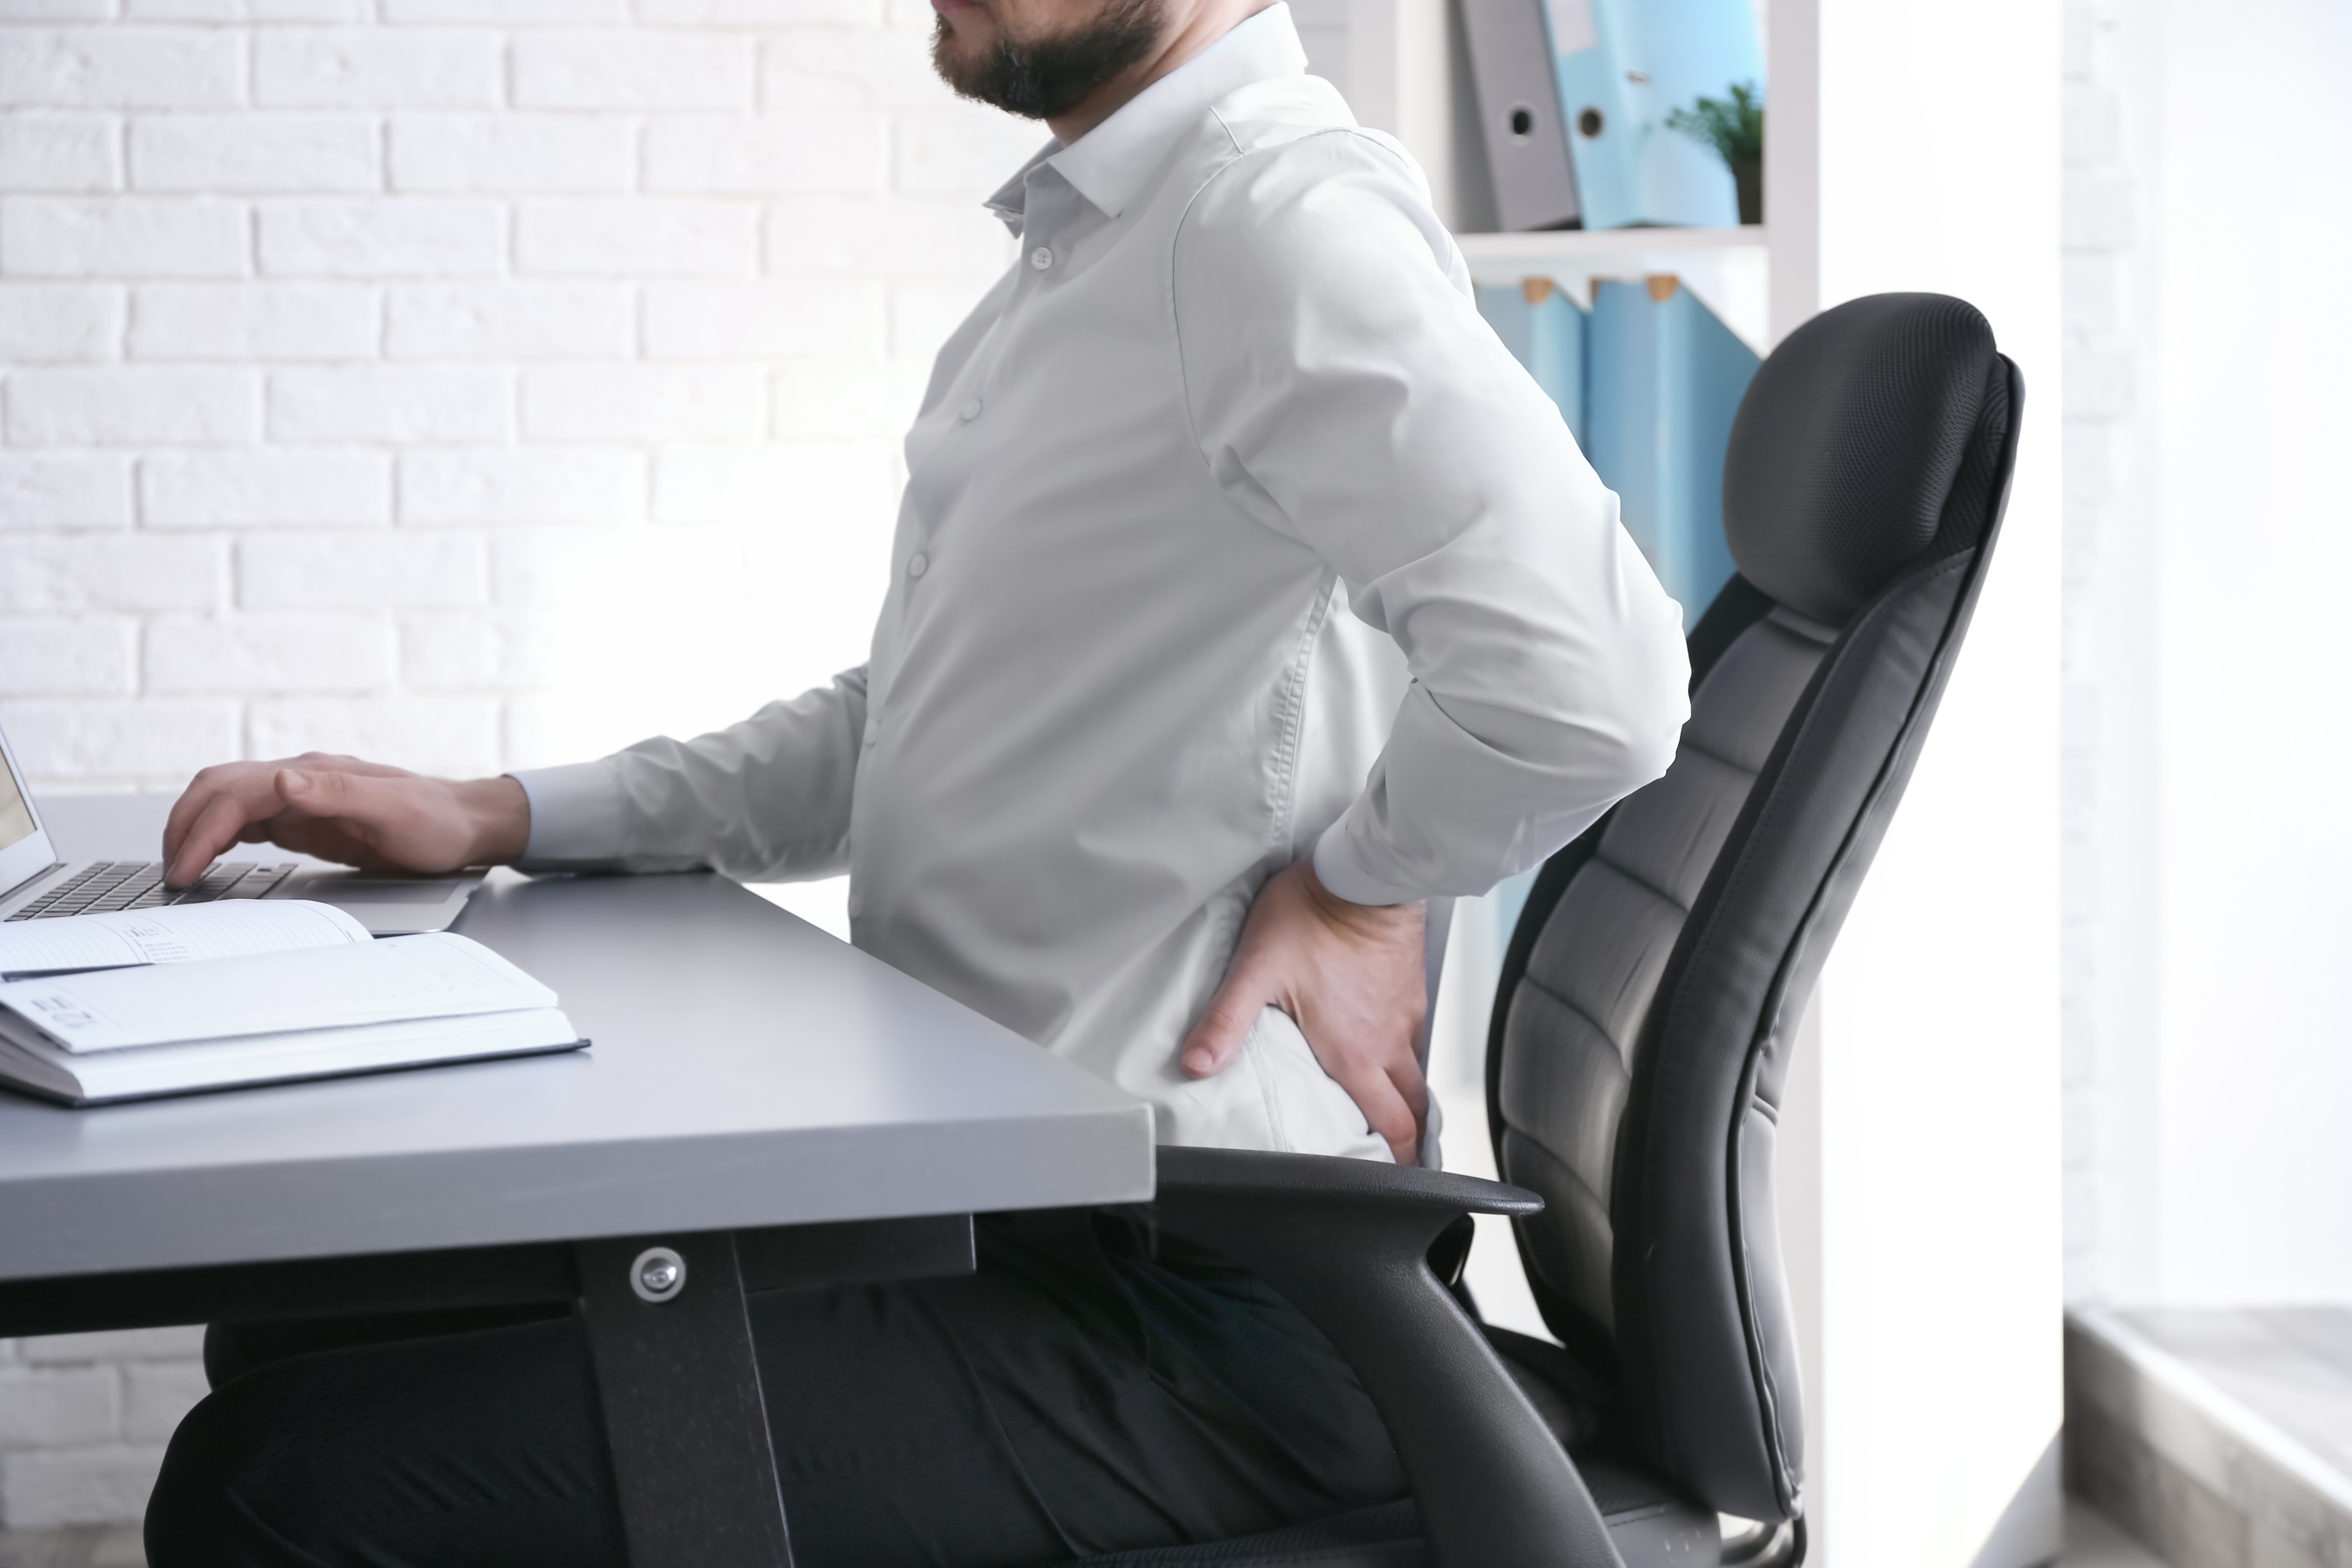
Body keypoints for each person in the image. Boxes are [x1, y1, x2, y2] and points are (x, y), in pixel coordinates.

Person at [140, 0, 1689, 1559]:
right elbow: (902, 721)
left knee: (277, 1485)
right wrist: (499, 815)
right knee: (300, 1326)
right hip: (998, 1210)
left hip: (1202, 1306)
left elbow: (1590, 686)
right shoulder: (1094, 243)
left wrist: (1360, 882)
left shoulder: (1275, 221)